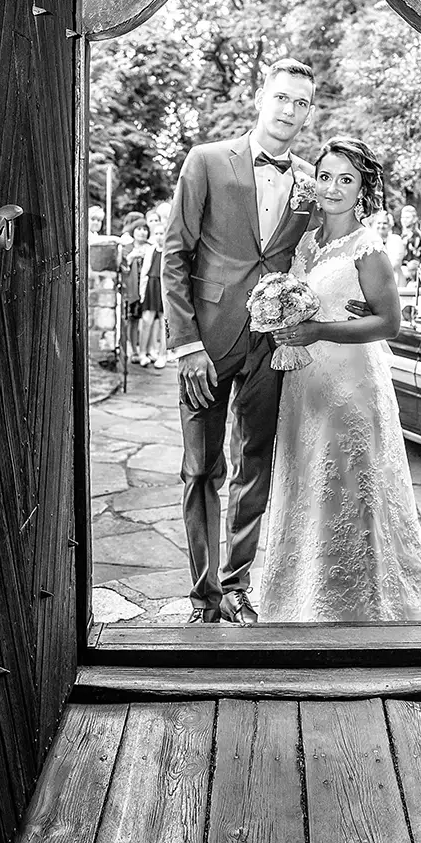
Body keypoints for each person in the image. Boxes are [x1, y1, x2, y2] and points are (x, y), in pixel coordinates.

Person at [163, 58, 317, 624]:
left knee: (254, 463)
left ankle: (235, 585)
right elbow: (174, 255)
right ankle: (202, 595)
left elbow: (309, 252)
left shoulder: (310, 180)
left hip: (272, 344)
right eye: (282, 97)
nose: (289, 110)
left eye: (301, 103)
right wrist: (186, 346)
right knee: (200, 469)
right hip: (206, 342)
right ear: (260, 98)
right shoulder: (206, 160)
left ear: (308, 113)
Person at [259, 137, 421, 623]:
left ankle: (359, 601)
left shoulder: (367, 247)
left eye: (346, 179)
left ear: (362, 190)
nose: (333, 187)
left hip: (350, 383)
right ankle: (303, 593)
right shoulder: (305, 241)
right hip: (305, 381)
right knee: (308, 479)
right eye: (326, 176)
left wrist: (319, 330)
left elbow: (389, 323)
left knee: (348, 482)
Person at [137, 215, 167, 368]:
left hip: (164, 287)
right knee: (147, 320)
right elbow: (144, 272)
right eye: (157, 234)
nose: (159, 236)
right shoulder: (151, 250)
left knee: (164, 322)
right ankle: (142, 353)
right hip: (151, 286)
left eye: (162, 233)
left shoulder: (169, 251)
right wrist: (142, 293)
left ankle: (162, 355)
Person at [121, 217, 150, 362]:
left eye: (145, 229)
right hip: (131, 290)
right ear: (133, 231)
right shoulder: (127, 248)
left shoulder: (151, 247)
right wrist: (132, 257)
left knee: (148, 321)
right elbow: (122, 268)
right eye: (139, 229)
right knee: (132, 320)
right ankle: (132, 350)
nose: (142, 232)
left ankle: (147, 350)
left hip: (148, 290)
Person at [367, 208, 405, 287]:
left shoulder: (396, 240)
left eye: (385, 223)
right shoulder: (369, 241)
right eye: (379, 223)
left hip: (395, 280)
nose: (381, 226)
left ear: (389, 225)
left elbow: (396, 262)